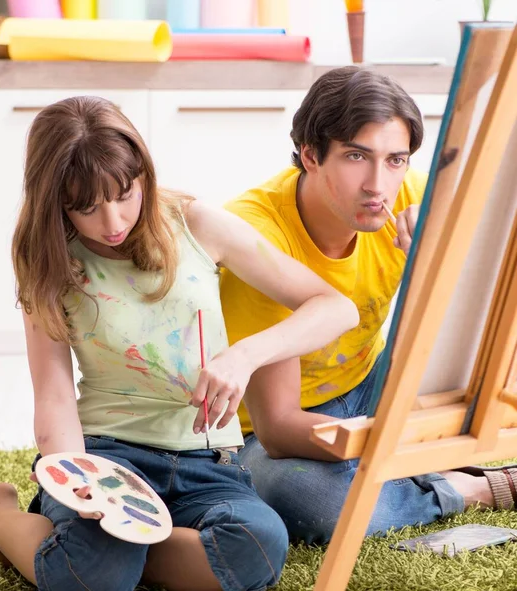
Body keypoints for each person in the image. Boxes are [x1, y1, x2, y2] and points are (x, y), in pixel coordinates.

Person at [0, 95, 359, 591]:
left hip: (206, 461)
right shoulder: (48, 259)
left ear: (143, 174)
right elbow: (52, 395)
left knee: (260, 545)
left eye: (125, 194)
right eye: (86, 207)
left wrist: (244, 357)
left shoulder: (194, 223)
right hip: (106, 452)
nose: (113, 222)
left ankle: (62, 551)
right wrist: (81, 480)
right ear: (57, 202)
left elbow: (335, 307)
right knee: (99, 569)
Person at [219, 65, 517, 546]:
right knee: (304, 497)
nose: (378, 184)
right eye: (357, 156)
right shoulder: (258, 238)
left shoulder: (411, 197)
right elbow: (278, 427)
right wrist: (394, 437)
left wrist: (433, 263)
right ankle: (469, 486)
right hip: (267, 432)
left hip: (370, 383)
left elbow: (467, 332)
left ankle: (405, 470)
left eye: (395, 160)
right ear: (311, 155)